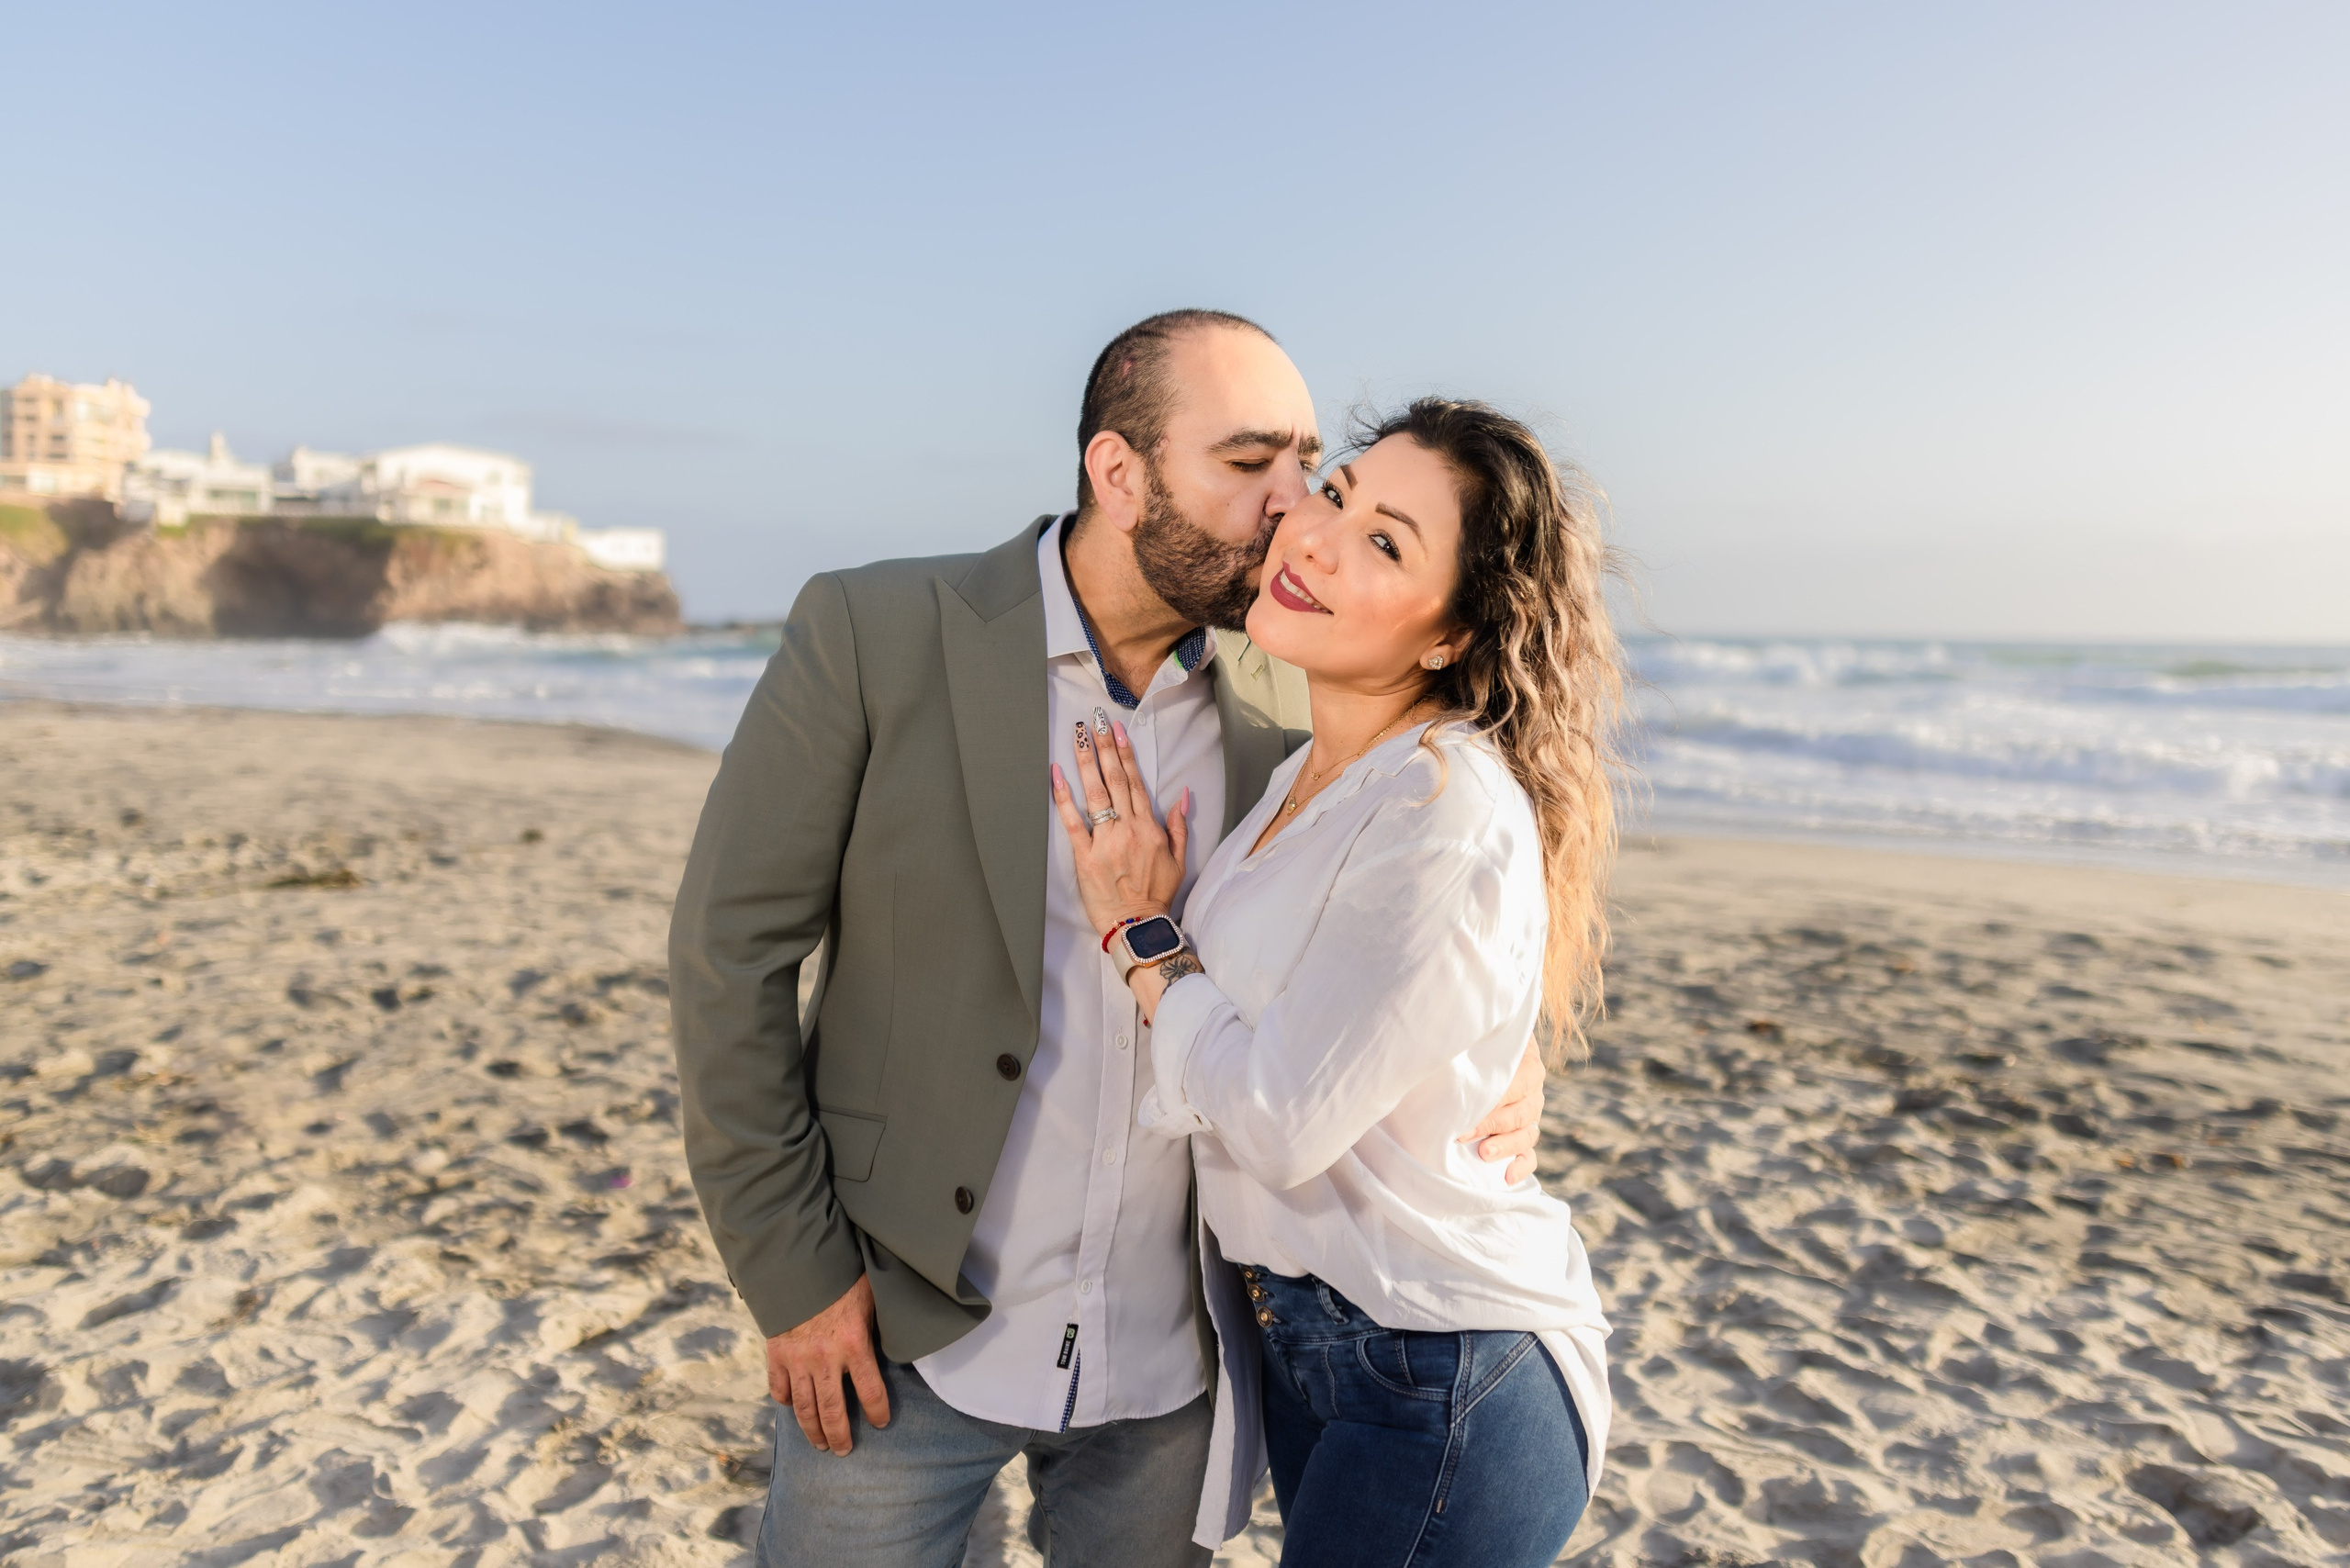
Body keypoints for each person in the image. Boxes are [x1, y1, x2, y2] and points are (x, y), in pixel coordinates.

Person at [667, 312, 1553, 1566]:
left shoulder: (1293, 693)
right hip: (899, 1336)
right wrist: (792, 1275)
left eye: (1308, 466)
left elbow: (1418, 909)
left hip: (1171, 1370)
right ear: (1120, 473)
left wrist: (1505, 1049)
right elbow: (729, 957)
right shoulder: (877, 630)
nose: (1292, 506)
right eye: (1250, 463)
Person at [1050, 398, 1624, 1564]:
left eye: (1385, 543)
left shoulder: (1441, 806)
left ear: (1449, 636)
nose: (1313, 535)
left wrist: (1142, 938)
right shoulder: (1311, 771)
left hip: (1446, 1365)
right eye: (1339, 494)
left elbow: (1277, 1119)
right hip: (1322, 1351)